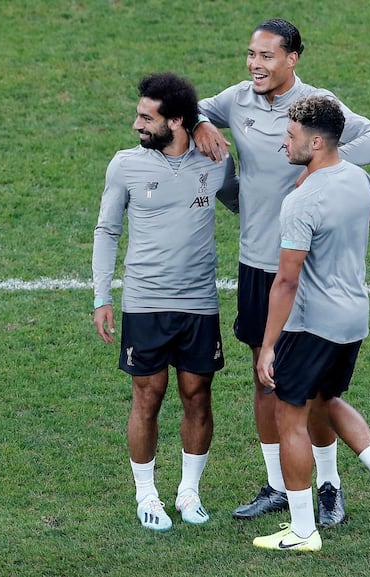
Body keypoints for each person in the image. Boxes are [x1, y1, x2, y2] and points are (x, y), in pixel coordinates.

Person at [194, 18, 370, 531]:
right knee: (264, 379)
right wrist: (201, 122)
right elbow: (188, 110)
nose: (255, 65)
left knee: (309, 392)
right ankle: (278, 485)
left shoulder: (317, 105)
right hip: (255, 262)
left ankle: (328, 487)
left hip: (301, 272)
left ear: (293, 59)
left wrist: (324, 164)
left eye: (267, 56)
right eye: (250, 54)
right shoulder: (237, 100)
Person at [251, 95, 370, 551]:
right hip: (352, 317)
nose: (284, 142)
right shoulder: (359, 179)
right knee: (327, 400)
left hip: (311, 323)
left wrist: (268, 346)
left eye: (291, 135)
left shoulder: (301, 200)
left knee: (291, 418)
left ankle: (303, 530)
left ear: (317, 141)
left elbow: (285, 281)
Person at [92, 72, 238, 532]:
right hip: (145, 302)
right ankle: (146, 493)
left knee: (198, 395)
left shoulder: (215, 162)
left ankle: (189, 491)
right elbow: (107, 230)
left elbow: (246, 204)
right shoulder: (125, 165)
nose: (136, 124)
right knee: (147, 396)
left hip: (199, 303)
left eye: (145, 117)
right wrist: (102, 296)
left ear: (176, 120)